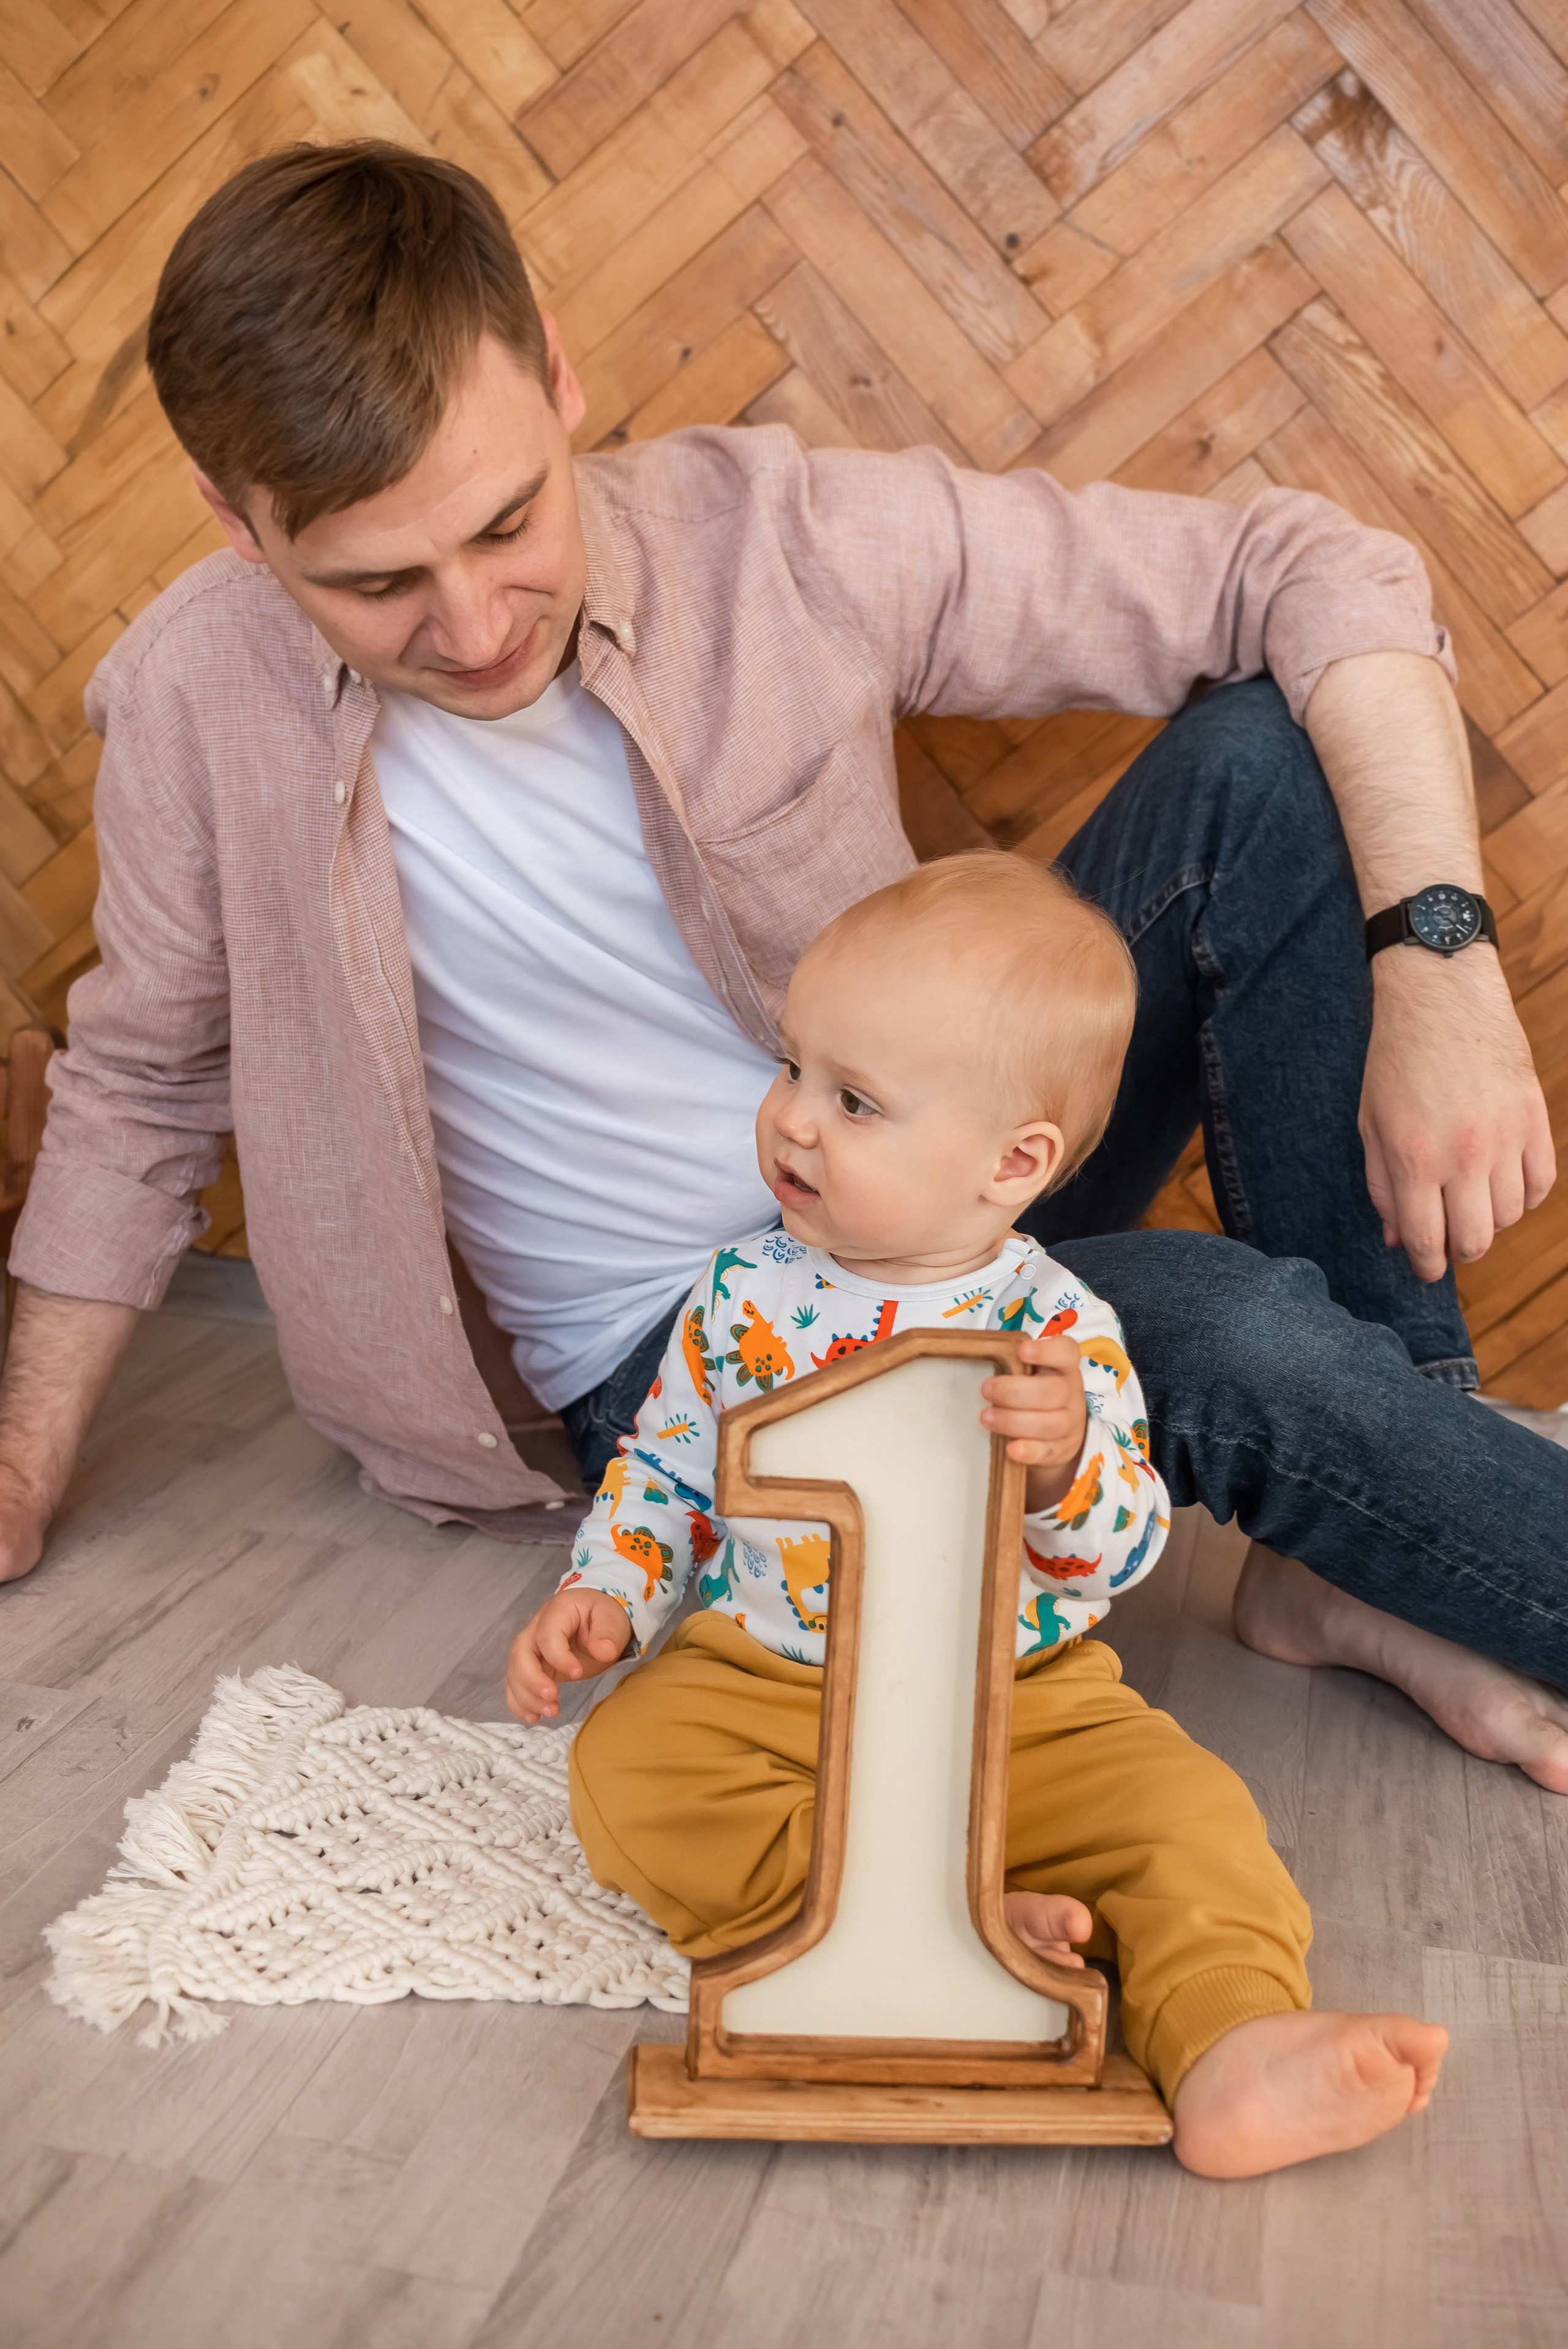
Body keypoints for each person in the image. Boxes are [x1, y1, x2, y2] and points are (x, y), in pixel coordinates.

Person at [0, 141, 1563, 1793]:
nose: (470, 627)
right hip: (697, 1356)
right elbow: (141, 1086)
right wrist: (22, 1463)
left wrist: (1440, 962)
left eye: (508, 523)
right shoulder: (187, 702)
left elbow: (1309, 571)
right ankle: (1409, 1549)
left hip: (943, 1182)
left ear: (554, 371)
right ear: (237, 524)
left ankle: (1363, 1559)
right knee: (1229, 1337)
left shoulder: (767, 535)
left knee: (1271, 752)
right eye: (376, 584)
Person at [507, 857, 1448, 2179]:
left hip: (1017, 1694)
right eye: (790, 1068)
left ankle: (1233, 2039)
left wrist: (1066, 1470)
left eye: (854, 1101)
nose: (792, 1123)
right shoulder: (737, 1297)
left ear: (1013, 1164)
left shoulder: (1056, 1335)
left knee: (1188, 1819)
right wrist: (607, 1593)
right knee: (630, 1773)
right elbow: (665, 1475)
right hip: (769, 1677)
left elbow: (1117, 1548)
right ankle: (908, 1924)